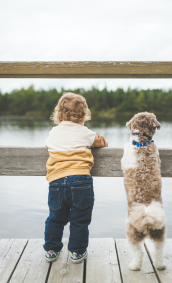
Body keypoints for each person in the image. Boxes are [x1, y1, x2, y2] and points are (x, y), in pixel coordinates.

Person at [43, 92, 108, 263]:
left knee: (55, 218)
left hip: (56, 182)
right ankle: (77, 253)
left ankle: (51, 250)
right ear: (84, 115)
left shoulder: (53, 133)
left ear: (59, 115)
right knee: (80, 220)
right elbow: (101, 142)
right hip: (80, 181)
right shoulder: (85, 132)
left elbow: (48, 143)